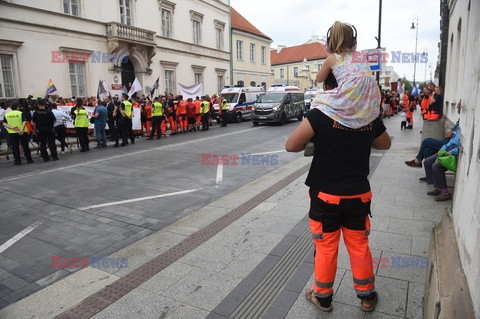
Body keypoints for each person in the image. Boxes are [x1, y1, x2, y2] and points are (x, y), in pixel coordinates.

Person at [288, 21, 391, 313]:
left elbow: (291, 146)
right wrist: (362, 136)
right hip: (358, 194)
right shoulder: (367, 115)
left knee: (326, 245)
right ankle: (367, 296)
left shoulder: (321, 112)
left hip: (325, 195)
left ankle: (322, 297)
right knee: (359, 245)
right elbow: (385, 144)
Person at [423, 125, 461, 201]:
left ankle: (445, 193)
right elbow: (449, 142)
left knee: (436, 166)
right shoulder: (459, 126)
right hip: (447, 150)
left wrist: (450, 152)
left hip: (454, 154)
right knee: (427, 162)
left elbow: (461, 147)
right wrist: (442, 149)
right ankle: (437, 187)